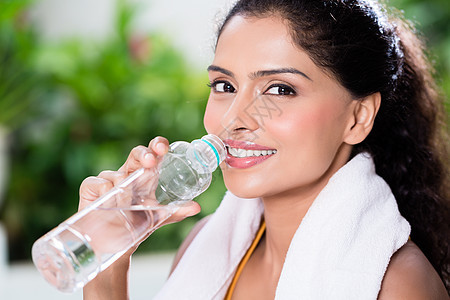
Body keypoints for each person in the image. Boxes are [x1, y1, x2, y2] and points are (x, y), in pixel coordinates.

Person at [80, 0, 449, 298]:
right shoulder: (201, 250)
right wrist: (107, 263)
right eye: (224, 85)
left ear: (358, 117)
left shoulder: (399, 286)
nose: (234, 120)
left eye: (279, 89)